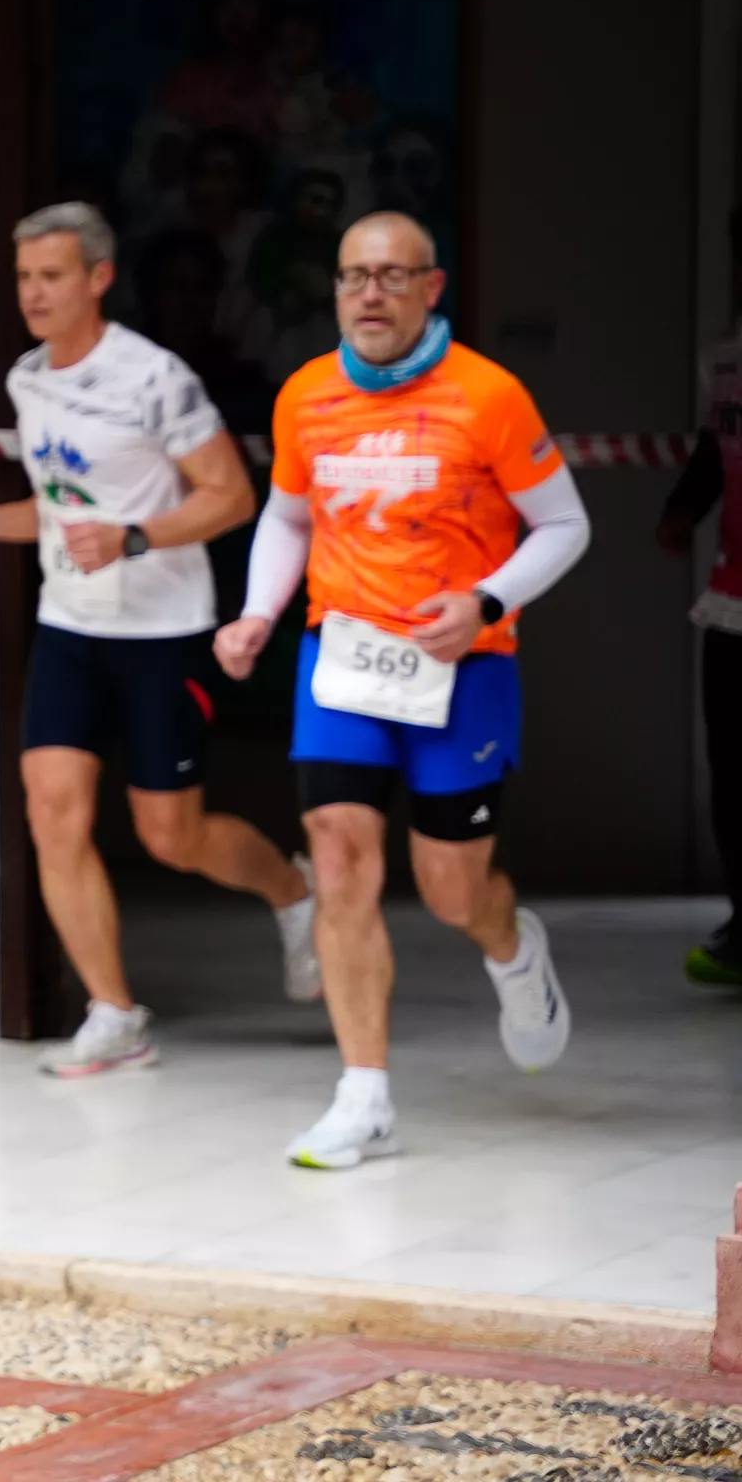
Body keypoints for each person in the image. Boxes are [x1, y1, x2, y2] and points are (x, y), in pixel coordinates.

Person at [213, 211, 586, 1170]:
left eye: (389, 276)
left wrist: (487, 598)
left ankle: (512, 948)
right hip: (341, 659)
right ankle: (363, 1094)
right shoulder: (306, 396)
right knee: (338, 858)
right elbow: (289, 520)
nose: (368, 295)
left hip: (463, 664)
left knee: (453, 889)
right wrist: (259, 612)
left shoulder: (488, 395)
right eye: (351, 277)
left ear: (433, 287)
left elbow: (564, 525)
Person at [0, 203, 314, 1078]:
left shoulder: (156, 377)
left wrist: (135, 537)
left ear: (98, 279)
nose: (34, 294)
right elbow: (65, 504)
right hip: (71, 625)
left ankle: (292, 890)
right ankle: (114, 1014)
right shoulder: (28, 379)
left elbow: (229, 494)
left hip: (163, 630)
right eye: (25, 278)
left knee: (170, 836)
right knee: (53, 811)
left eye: (52, 276)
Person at [657, 295, 742, 986]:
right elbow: (719, 449)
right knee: (733, 770)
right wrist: (684, 508)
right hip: (733, 601)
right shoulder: (727, 359)